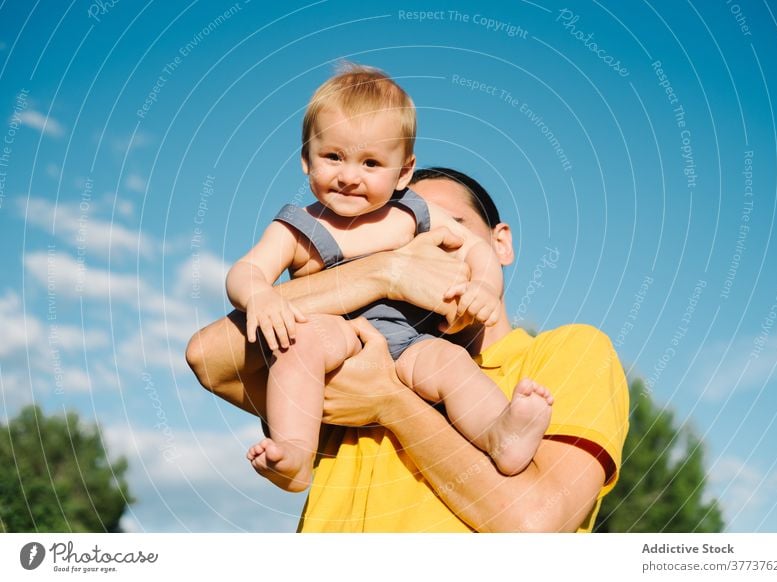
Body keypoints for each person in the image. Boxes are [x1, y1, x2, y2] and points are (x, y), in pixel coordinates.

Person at [185, 166, 630, 532]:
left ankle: (499, 431)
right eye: (400, 242)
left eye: (452, 229)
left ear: (500, 243)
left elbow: (532, 524)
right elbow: (210, 355)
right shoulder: (347, 364)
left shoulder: (569, 350)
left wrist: (389, 402)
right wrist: (383, 273)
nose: (424, 252)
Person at [227, 64, 553, 492]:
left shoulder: (410, 214)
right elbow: (245, 272)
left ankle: (500, 434)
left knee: (451, 364)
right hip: (340, 337)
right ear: (307, 159)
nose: (349, 175)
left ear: (403, 172)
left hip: (410, 339)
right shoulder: (296, 228)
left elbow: (475, 248)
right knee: (298, 344)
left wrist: (484, 288)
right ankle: (294, 452)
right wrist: (261, 298)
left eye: (371, 162)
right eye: (333, 156)